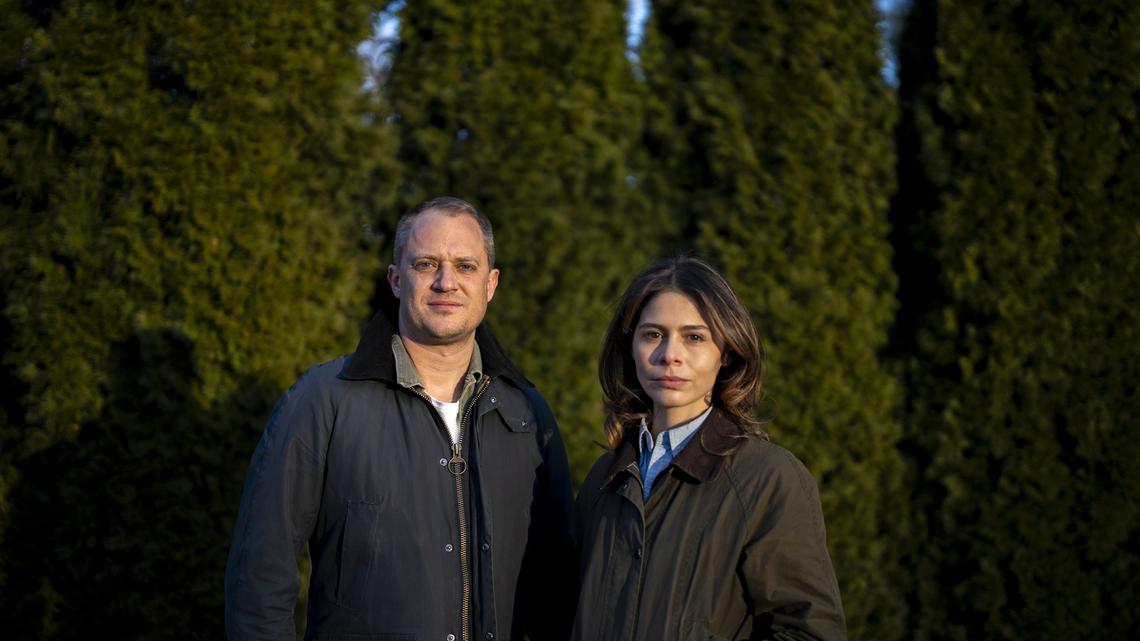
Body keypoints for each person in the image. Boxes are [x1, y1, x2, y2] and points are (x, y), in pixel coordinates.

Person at [225, 197, 575, 641]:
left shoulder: (528, 415)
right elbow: (259, 576)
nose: (446, 282)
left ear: (490, 284)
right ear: (395, 279)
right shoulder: (323, 401)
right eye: (426, 264)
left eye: (465, 266)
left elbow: (557, 587)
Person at [572, 256, 846, 641]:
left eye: (694, 337)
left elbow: (809, 633)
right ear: (630, 347)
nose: (670, 354)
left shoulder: (767, 480)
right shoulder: (603, 480)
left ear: (727, 352)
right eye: (653, 334)